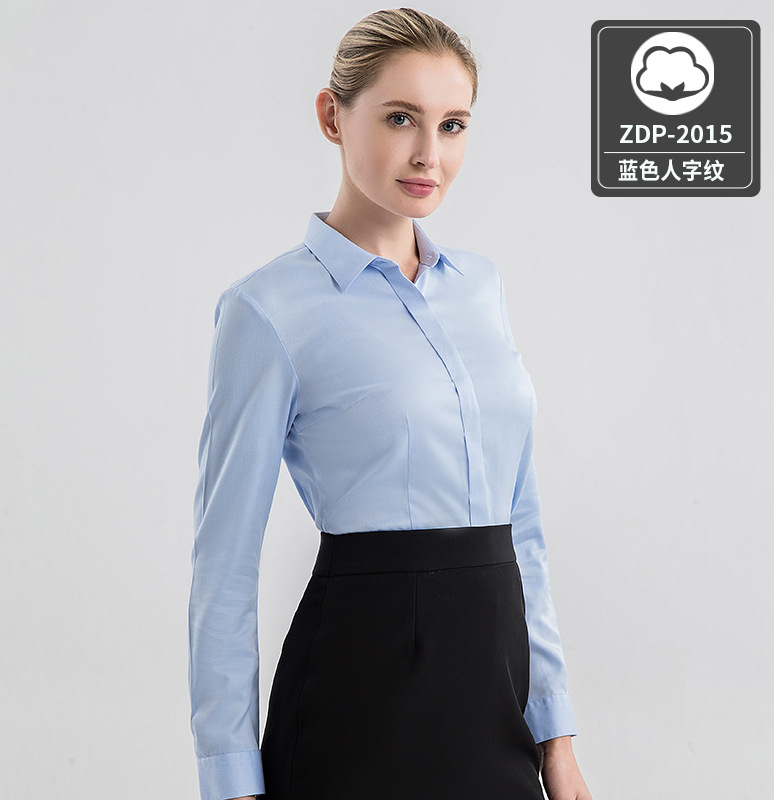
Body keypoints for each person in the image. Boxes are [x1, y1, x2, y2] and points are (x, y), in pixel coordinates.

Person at [188, 7, 592, 800]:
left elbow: (523, 530)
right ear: (332, 116)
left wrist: (558, 735)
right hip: (355, 698)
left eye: (452, 125)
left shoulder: (481, 288)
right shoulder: (267, 311)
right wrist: (229, 780)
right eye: (401, 118)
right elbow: (223, 569)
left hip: (494, 697)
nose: (428, 154)